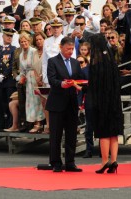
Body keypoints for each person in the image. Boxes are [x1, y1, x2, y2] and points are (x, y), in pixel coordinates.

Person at [83, 33, 123, 173]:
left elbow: (93, 86)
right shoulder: (112, 62)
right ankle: (114, 160)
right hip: (114, 102)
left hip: (101, 103)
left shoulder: (96, 65)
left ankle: (105, 161)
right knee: (114, 133)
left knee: (103, 132)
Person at [46, 36, 84, 172]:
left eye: (72, 49)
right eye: (68, 48)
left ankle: (70, 162)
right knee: (56, 134)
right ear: (61, 47)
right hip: (57, 102)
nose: (70, 51)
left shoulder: (75, 62)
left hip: (72, 103)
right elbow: (51, 80)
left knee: (71, 133)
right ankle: (55, 162)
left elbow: (80, 78)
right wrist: (62, 84)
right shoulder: (53, 61)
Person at [16, 32, 45, 133]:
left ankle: (39, 123)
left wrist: (39, 78)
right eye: (21, 42)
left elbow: (38, 65)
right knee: (30, 102)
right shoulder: (20, 55)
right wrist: (21, 78)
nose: (23, 43)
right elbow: (22, 70)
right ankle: (33, 122)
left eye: (25, 41)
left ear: (29, 41)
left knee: (37, 100)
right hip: (28, 80)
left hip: (36, 77)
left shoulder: (33, 51)